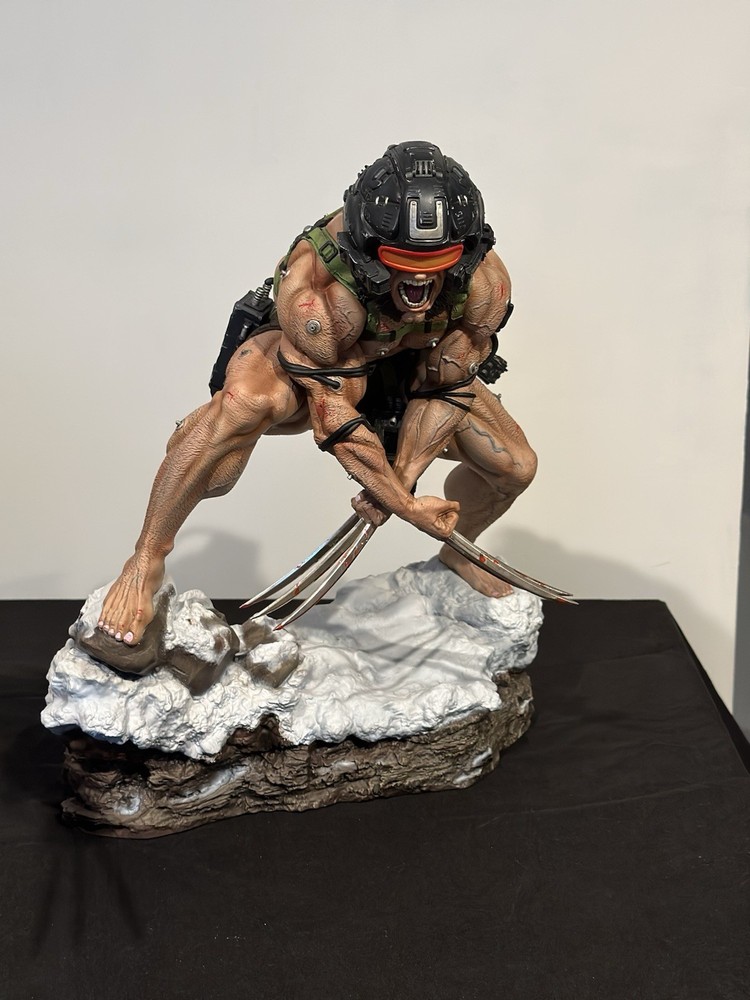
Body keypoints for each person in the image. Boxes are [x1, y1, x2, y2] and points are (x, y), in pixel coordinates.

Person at [98, 141, 538, 646]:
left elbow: (446, 385)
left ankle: (459, 553)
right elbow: (333, 417)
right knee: (238, 409)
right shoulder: (319, 291)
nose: (419, 277)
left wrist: (400, 481)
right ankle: (145, 560)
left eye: (438, 260)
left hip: (413, 369)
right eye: (401, 258)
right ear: (370, 250)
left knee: (515, 467)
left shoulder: (484, 285)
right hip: (320, 368)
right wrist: (401, 502)